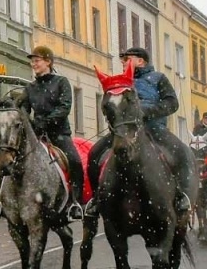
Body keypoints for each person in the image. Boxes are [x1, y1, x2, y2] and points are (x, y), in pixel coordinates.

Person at [87, 46, 191, 214]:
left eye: (127, 60)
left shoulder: (158, 78)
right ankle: (96, 198)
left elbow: (172, 103)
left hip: (154, 128)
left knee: (182, 152)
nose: (123, 63)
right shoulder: (120, 81)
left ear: (140, 61)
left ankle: (181, 195)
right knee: (94, 153)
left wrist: (147, 112)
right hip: (125, 131)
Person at [24, 45, 85, 219]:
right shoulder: (30, 88)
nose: (33, 64)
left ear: (48, 62)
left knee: (74, 161)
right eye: (32, 62)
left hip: (59, 135)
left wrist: (45, 121)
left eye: (36, 61)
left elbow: (64, 108)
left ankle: (76, 202)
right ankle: (1, 202)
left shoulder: (61, 82)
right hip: (37, 136)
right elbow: (24, 110)